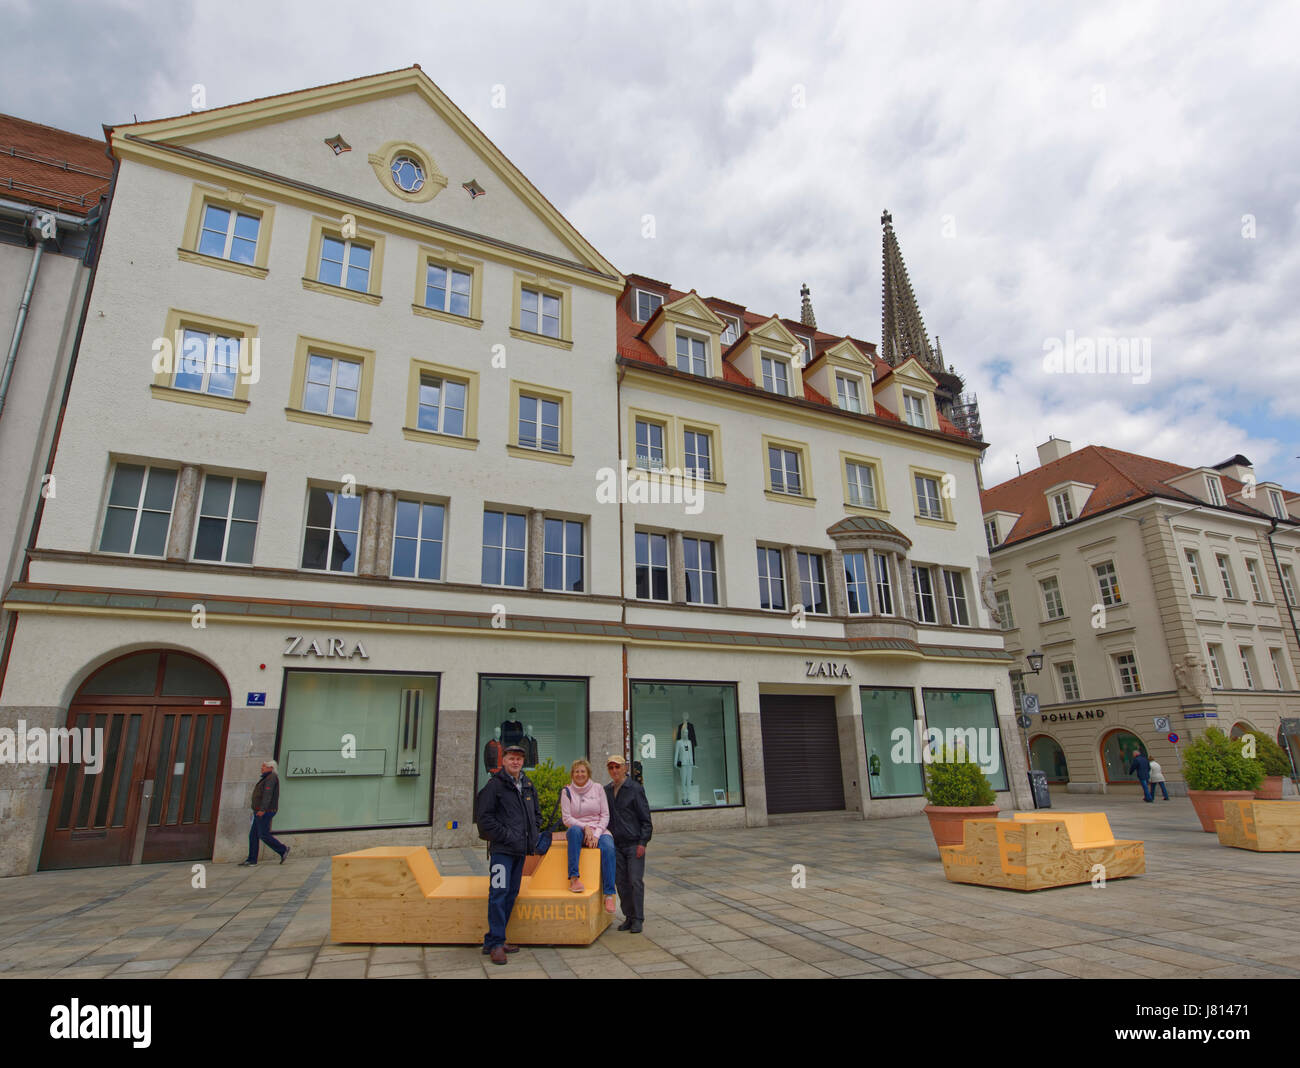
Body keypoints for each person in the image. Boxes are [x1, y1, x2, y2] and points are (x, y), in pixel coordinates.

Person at [475, 743, 551, 965]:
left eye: (519, 758)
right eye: (511, 758)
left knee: (511, 893)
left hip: (520, 851)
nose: (515, 762)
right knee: (498, 894)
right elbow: (485, 820)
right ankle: (497, 944)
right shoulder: (494, 786)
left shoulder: (527, 784)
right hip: (502, 852)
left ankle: (493, 939)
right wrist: (508, 836)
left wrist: (532, 833)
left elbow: (536, 814)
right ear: (504, 760)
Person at [604, 754, 652, 934]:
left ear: (625, 768)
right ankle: (629, 917)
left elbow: (646, 819)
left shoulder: (635, 789)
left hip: (634, 843)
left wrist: (643, 842)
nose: (615, 771)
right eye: (611, 768)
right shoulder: (606, 790)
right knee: (621, 882)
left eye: (618, 767)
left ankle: (638, 918)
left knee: (635, 881)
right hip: (615, 844)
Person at [561, 758, 616, 913]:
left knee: (609, 847)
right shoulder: (566, 792)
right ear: (572, 774)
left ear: (588, 773)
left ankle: (609, 895)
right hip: (579, 830)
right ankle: (574, 879)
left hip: (599, 830)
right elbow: (566, 818)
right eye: (577, 771)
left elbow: (605, 815)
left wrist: (597, 834)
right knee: (572, 831)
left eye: (583, 771)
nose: (580, 774)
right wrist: (585, 828)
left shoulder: (598, 789)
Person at [240, 759, 288, 866]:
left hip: (265, 811)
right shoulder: (266, 778)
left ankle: (283, 849)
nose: (262, 768)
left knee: (263, 834)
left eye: (264, 766)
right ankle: (251, 859)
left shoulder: (271, 778)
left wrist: (263, 809)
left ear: (271, 768)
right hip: (259, 811)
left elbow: (268, 795)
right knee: (253, 835)